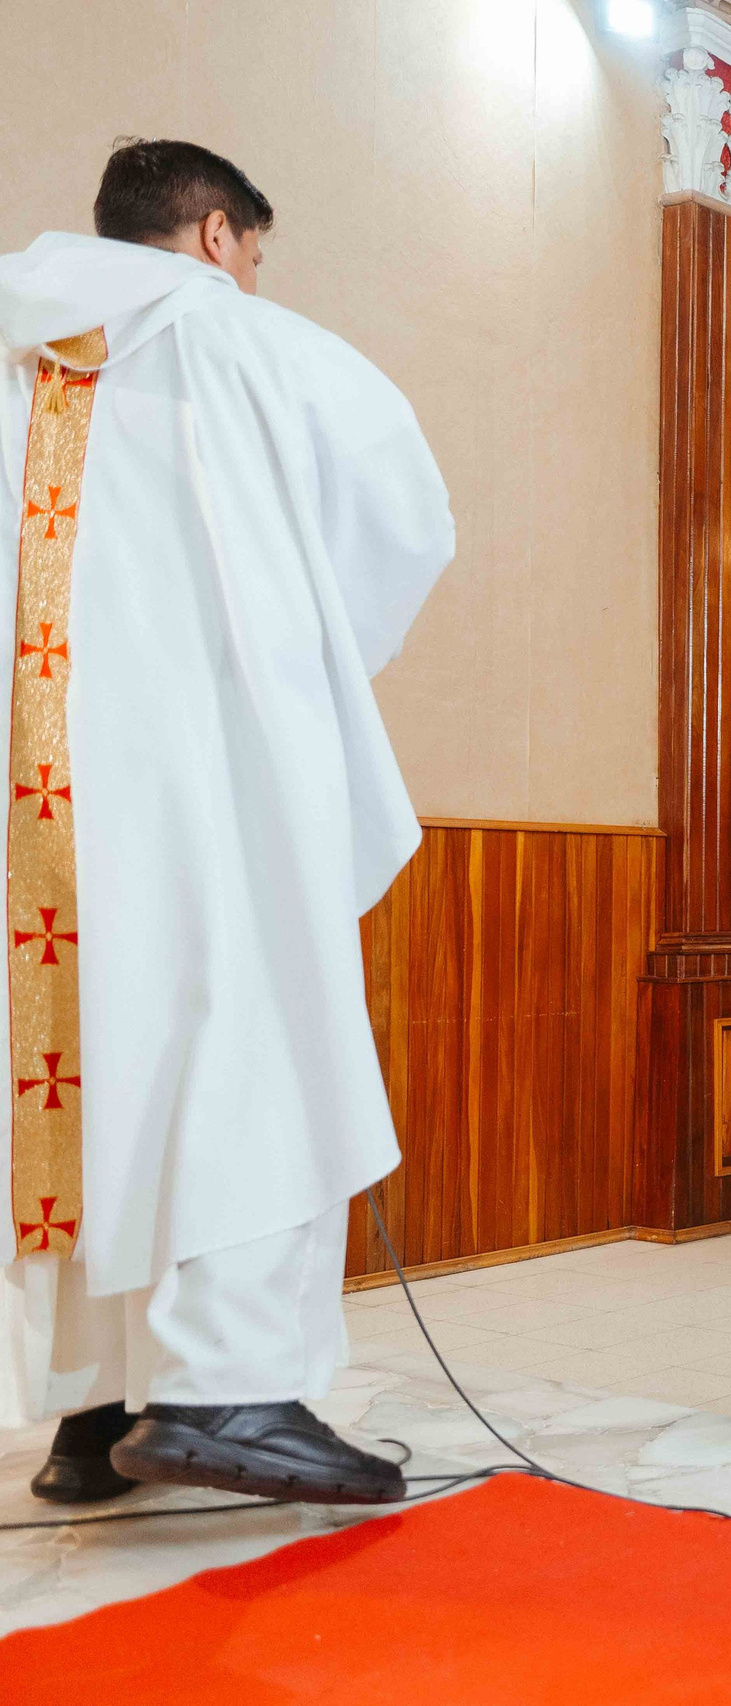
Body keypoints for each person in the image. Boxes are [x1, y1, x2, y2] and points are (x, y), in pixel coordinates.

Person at [0, 143, 454, 1507]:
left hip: (39, 797)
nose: (251, 273)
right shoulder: (247, 342)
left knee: (83, 1065)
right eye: (252, 250)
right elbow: (404, 523)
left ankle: (96, 1405)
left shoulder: (15, 349)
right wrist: (304, 670)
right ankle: (228, 1387)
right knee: (253, 1042)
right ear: (215, 234)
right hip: (212, 779)